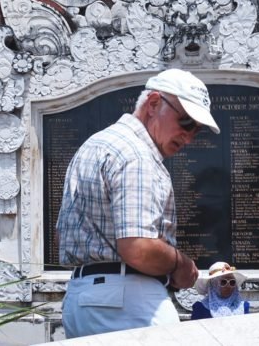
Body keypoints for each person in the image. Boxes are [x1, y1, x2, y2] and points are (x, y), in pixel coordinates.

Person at [56, 69, 220, 338]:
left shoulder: (94, 144)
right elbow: (138, 247)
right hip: (128, 305)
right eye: (186, 122)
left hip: (83, 298)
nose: (189, 136)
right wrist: (180, 264)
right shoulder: (137, 155)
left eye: (196, 130)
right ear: (154, 103)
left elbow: (64, 235)